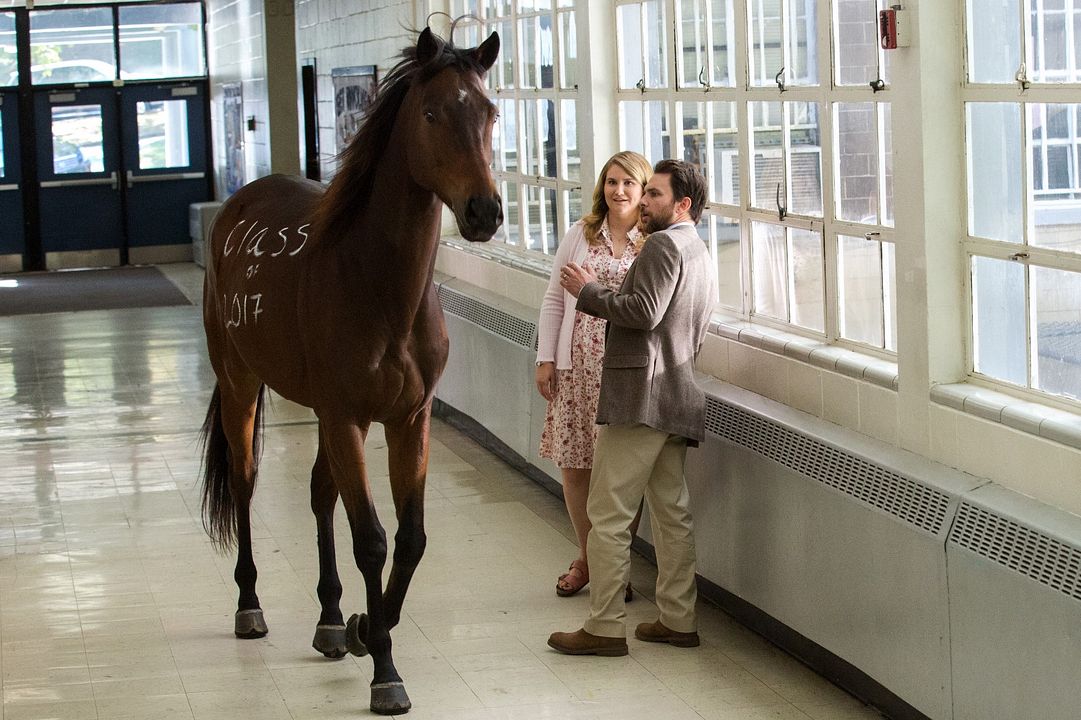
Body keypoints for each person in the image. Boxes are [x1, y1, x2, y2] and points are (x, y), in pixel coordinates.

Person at [547, 159, 716, 657]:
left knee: (608, 510)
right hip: (676, 394)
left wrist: (588, 292)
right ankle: (678, 619)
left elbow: (644, 312)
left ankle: (603, 626)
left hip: (641, 396)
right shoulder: (699, 249)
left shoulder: (664, 244)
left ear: (682, 205)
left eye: (655, 195)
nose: (643, 201)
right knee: (671, 512)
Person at [535, 150, 653, 599]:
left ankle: (614, 567)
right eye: (611, 181)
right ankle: (588, 559)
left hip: (623, 373)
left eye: (628, 183)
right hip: (576, 368)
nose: (618, 190)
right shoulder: (580, 234)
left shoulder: (652, 242)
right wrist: (546, 358)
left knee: (619, 475)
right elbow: (552, 298)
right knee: (577, 466)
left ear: (643, 192)